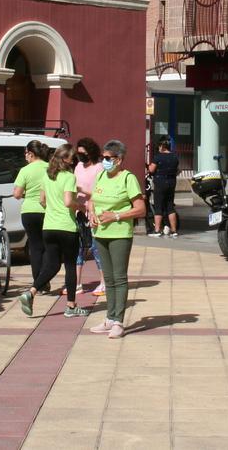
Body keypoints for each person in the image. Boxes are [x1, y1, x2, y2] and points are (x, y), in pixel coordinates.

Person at [19, 144, 90, 319]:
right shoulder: (69, 177)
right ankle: (71, 306)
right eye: (72, 158)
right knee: (70, 266)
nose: (74, 161)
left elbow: (42, 200)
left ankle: (32, 292)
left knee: (52, 264)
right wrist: (80, 206)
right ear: (66, 160)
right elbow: (68, 202)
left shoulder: (47, 176)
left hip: (48, 226)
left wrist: (52, 208)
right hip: (66, 226)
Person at [88, 139, 146, 339]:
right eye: (102, 158)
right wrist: (92, 214)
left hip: (120, 234)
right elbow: (92, 201)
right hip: (100, 234)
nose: (103, 161)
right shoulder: (101, 175)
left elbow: (140, 208)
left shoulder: (128, 178)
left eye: (107, 158)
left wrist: (116, 216)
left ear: (119, 160)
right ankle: (109, 318)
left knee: (119, 278)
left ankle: (118, 322)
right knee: (108, 279)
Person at [14, 140, 52, 284]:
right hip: (47, 210)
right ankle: (45, 277)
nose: (24, 156)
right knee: (48, 246)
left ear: (31, 154)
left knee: (35, 247)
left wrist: (26, 194)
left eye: (25, 153)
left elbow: (17, 194)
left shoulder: (25, 170)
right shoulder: (50, 168)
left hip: (29, 211)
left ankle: (39, 283)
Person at [73, 138, 105, 296]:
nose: (80, 157)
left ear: (91, 152)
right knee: (77, 248)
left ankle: (103, 283)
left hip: (92, 211)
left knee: (95, 248)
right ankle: (77, 284)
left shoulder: (99, 168)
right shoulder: (78, 166)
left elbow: (100, 192)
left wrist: (82, 190)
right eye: (78, 153)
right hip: (78, 211)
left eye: (83, 154)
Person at [148, 139, 180, 237]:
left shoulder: (158, 157)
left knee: (158, 206)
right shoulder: (175, 157)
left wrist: (148, 166)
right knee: (170, 206)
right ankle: (174, 231)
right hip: (171, 183)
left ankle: (157, 230)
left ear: (162, 146)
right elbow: (178, 171)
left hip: (160, 183)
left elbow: (151, 169)